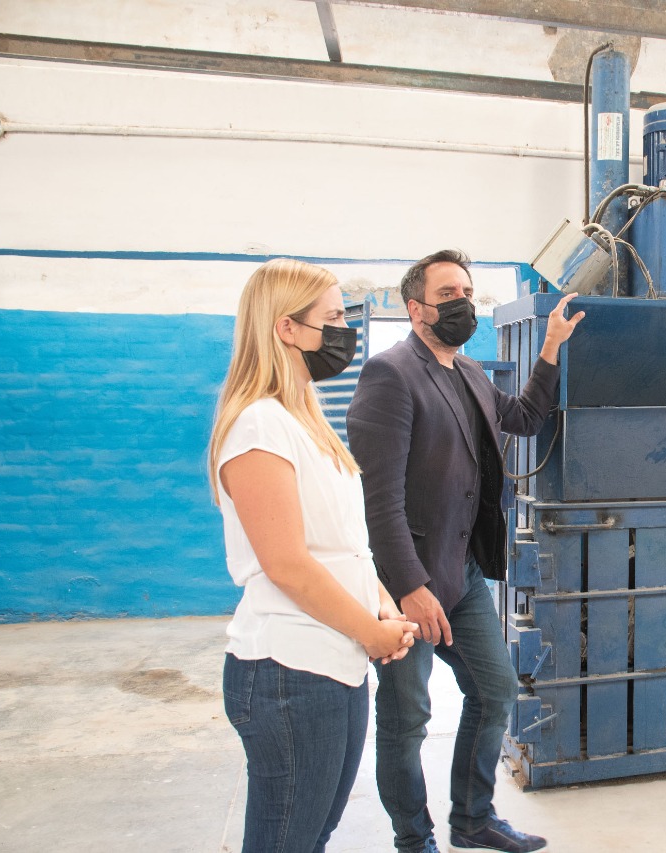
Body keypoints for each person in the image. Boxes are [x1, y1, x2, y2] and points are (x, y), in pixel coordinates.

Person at [347, 249, 584, 853]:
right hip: (405, 586)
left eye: (467, 293)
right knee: (407, 720)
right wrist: (407, 586)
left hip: (462, 574)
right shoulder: (390, 375)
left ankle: (473, 820)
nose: (462, 304)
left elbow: (527, 418)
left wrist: (552, 343)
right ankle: (412, 837)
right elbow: (379, 500)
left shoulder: (470, 373)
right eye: (448, 293)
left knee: (495, 690)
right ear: (415, 308)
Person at [209, 258, 418, 852]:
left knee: (314, 831)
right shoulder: (256, 427)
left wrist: (380, 608)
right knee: (287, 840)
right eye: (331, 319)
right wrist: (373, 633)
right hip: (288, 670)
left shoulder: (302, 420)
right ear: (286, 329)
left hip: (337, 658)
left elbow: (347, 544)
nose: (343, 332)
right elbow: (288, 564)